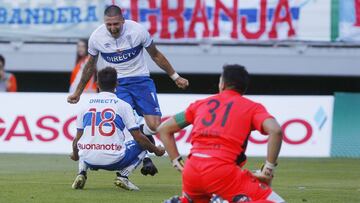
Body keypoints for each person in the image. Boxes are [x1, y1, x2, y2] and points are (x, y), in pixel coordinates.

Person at [67, 5, 189, 175]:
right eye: (109, 25)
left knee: (154, 126)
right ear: (104, 23)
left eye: (116, 24)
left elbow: (156, 55)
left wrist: (175, 76)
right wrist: (78, 92)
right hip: (119, 84)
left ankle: (142, 133)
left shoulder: (138, 31)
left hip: (141, 80)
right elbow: (90, 66)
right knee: (124, 123)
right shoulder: (97, 37)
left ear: (123, 20)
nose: (112, 28)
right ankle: (131, 162)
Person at [158, 64, 285, 203]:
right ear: (244, 88)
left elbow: (164, 129)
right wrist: (268, 169)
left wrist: (176, 161)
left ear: (222, 84)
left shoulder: (200, 104)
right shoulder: (252, 108)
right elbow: (276, 130)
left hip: (192, 170)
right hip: (222, 172)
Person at [70, 67, 165, 191]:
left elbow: (76, 140)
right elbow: (138, 137)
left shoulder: (85, 106)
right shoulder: (123, 105)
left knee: (85, 142)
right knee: (144, 143)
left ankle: (81, 173)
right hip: (114, 161)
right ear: (117, 84)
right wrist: (156, 150)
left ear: (97, 84)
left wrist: (76, 155)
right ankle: (123, 176)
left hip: (89, 159)